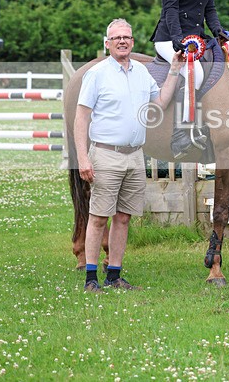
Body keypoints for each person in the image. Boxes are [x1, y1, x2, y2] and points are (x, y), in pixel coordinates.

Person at [75, 18, 184, 293]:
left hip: (135, 156)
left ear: (133, 42)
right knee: (99, 216)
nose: (122, 41)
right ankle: (91, 278)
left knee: (123, 217)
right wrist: (82, 158)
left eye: (127, 37)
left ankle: (114, 274)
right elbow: (81, 117)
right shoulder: (97, 74)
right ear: (107, 43)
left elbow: (159, 101)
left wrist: (174, 70)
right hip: (106, 154)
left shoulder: (141, 72)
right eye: (116, 38)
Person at [150, 0, 223, 158]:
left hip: (197, 39)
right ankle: (180, 135)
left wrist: (219, 32)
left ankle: (206, 128)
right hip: (170, 38)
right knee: (195, 73)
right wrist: (177, 39)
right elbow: (169, 8)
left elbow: (209, 9)